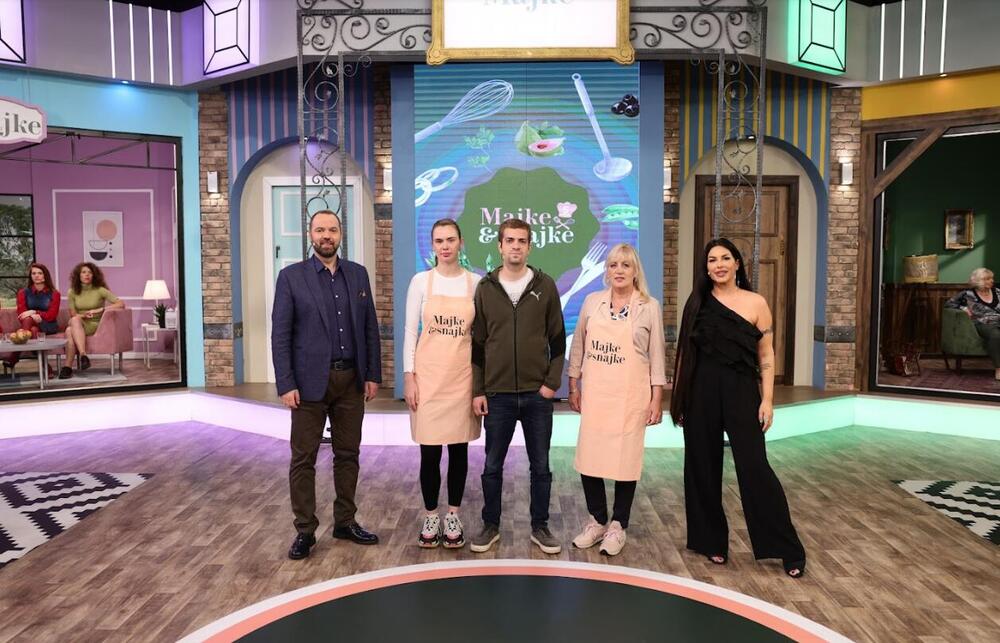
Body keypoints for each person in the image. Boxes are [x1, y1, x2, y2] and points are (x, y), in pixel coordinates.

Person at [671, 238, 806, 578]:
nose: (718, 264)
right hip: (700, 393)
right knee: (701, 466)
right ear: (706, 268)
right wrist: (680, 399)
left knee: (755, 467)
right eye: (712, 260)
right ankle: (710, 542)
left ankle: (786, 549)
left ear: (737, 264)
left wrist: (767, 400)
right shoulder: (696, 303)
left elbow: (766, 354)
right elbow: (685, 354)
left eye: (725, 258)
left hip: (742, 392)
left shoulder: (756, 303)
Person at [272, 209, 382, 560]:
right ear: (310, 235)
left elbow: (370, 328)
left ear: (340, 234)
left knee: (348, 454)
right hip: (307, 385)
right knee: (303, 458)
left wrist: (373, 374)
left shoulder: (358, 274)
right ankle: (305, 530)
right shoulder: (291, 277)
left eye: (332, 230)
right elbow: (280, 335)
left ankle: (345, 521)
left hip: (351, 381)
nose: (326, 236)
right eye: (320, 230)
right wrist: (285, 382)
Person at [469, 218, 565, 555]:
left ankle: (540, 526)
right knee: (492, 466)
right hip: (497, 396)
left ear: (529, 246)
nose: (515, 246)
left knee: (541, 466)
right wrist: (479, 390)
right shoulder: (485, 288)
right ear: (499, 245)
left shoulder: (545, 286)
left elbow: (558, 341)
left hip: (537, 395)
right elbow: (478, 345)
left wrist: (551, 384)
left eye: (521, 241)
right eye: (509, 240)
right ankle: (490, 525)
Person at [567, 243, 665, 556]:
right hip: (596, 393)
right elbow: (579, 345)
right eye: (613, 265)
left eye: (625, 265)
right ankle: (597, 520)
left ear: (636, 271)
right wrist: (573, 384)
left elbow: (657, 354)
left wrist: (657, 398)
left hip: (631, 395)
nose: (619, 270)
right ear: (606, 271)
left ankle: (618, 525)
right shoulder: (592, 301)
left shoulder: (649, 306)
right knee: (590, 457)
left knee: (626, 460)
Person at [404, 218, 482, 549]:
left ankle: (453, 515)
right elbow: (410, 331)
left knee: (459, 449)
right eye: (439, 241)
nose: (445, 246)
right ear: (432, 245)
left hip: (461, 379)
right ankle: (431, 515)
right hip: (428, 379)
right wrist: (409, 377)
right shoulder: (421, 282)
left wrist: (479, 386)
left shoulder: (475, 283)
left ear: (461, 243)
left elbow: (481, 338)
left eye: (450, 240)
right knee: (430, 451)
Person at [62, 262, 124, 379]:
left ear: (94, 275)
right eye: (84, 272)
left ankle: (68, 367)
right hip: (79, 321)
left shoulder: (100, 290)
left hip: (95, 324)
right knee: (74, 321)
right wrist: (83, 315)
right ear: (78, 275)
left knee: (69, 331)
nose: (87, 275)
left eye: (90, 272)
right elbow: (73, 314)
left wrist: (101, 309)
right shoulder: (72, 292)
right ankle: (83, 355)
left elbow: (120, 304)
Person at [4, 263, 60, 374]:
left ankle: (14, 356)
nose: (36, 276)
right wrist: (32, 316)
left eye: (40, 273)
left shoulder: (54, 293)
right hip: (30, 324)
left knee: (29, 320)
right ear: (31, 276)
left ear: (45, 276)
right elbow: (21, 315)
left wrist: (35, 312)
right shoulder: (23, 293)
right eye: (33, 273)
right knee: (33, 330)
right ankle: (45, 366)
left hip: (48, 324)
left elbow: (52, 315)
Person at [945, 267, 1000, 380]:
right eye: (988, 279)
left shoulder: (998, 292)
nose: (992, 281)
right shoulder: (967, 294)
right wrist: (964, 308)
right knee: (995, 335)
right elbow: (948, 304)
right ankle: (999, 368)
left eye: (992, 278)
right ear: (979, 281)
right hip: (982, 323)